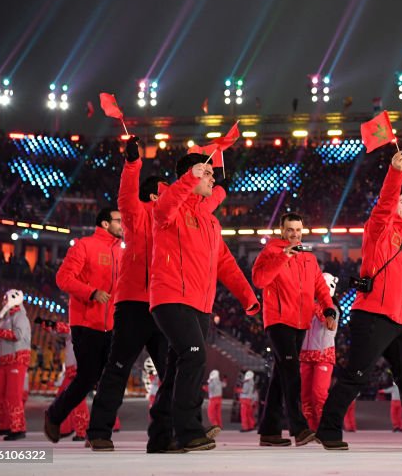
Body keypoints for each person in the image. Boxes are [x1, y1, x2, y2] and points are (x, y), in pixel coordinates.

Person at [313, 150, 402, 452]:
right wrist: (395, 173)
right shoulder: (378, 230)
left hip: (400, 321)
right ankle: (327, 429)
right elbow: (385, 204)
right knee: (358, 376)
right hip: (373, 315)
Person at [146, 155, 260, 453]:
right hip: (171, 297)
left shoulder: (210, 221)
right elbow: (165, 208)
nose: (213, 179)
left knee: (177, 368)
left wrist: (248, 297)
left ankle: (160, 436)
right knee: (194, 357)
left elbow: (226, 264)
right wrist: (186, 181)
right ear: (192, 175)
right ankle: (188, 430)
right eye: (207, 173)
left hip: (201, 305)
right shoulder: (168, 208)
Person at [87, 137, 174, 451]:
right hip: (134, 305)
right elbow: (126, 195)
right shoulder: (137, 215)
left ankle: (170, 433)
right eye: (166, 191)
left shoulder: (170, 221)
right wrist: (133, 164)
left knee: (173, 372)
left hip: (164, 306)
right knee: (118, 368)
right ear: (153, 195)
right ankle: (98, 431)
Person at [251, 213, 336, 447]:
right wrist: (282, 257)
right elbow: (259, 280)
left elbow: (320, 286)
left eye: (298, 230)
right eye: (290, 230)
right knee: (290, 374)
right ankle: (298, 428)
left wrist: (329, 310)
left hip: (301, 324)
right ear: (281, 230)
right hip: (279, 322)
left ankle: (269, 431)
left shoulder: (309, 259)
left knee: (280, 378)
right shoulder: (270, 252)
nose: (294, 234)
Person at [44, 208, 122, 445]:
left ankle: (97, 432)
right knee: (87, 378)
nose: (123, 225)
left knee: (110, 380)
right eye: (119, 221)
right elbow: (63, 278)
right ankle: (55, 415)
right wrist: (92, 293)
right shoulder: (84, 245)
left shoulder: (123, 252)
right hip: (86, 323)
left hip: (112, 325)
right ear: (105, 224)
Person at [0, 289, 31, 440]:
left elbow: (18, 335)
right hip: (4, 361)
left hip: (17, 359)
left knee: (13, 395)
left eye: (5, 298)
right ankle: (4, 425)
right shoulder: (6, 318)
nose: (3, 301)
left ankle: (18, 428)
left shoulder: (20, 316)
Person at [299, 273, 339, 430]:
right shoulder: (307, 305)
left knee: (319, 394)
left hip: (323, 356)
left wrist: (312, 301)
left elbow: (328, 324)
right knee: (306, 397)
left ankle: (325, 430)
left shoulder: (333, 309)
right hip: (305, 355)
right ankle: (312, 430)